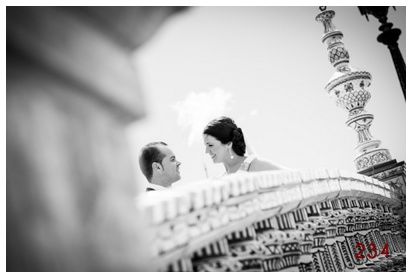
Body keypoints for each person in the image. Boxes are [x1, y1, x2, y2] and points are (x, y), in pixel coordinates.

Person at [203, 116, 285, 174]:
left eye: (210, 145)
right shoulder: (222, 179)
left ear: (228, 144)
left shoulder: (254, 165)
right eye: (205, 146)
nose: (206, 151)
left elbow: (296, 180)